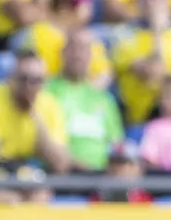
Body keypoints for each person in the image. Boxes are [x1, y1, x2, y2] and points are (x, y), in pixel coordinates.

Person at [46, 29, 125, 171]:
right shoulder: (47, 92)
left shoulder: (104, 99)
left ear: (91, 55)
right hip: (62, 172)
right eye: (73, 47)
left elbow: (116, 143)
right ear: (62, 51)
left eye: (83, 48)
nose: (77, 54)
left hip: (103, 177)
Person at [0, 46, 72, 170]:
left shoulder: (49, 104)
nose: (29, 86)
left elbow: (61, 164)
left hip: (27, 177)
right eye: (23, 79)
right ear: (10, 79)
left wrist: (34, 114)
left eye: (37, 80)